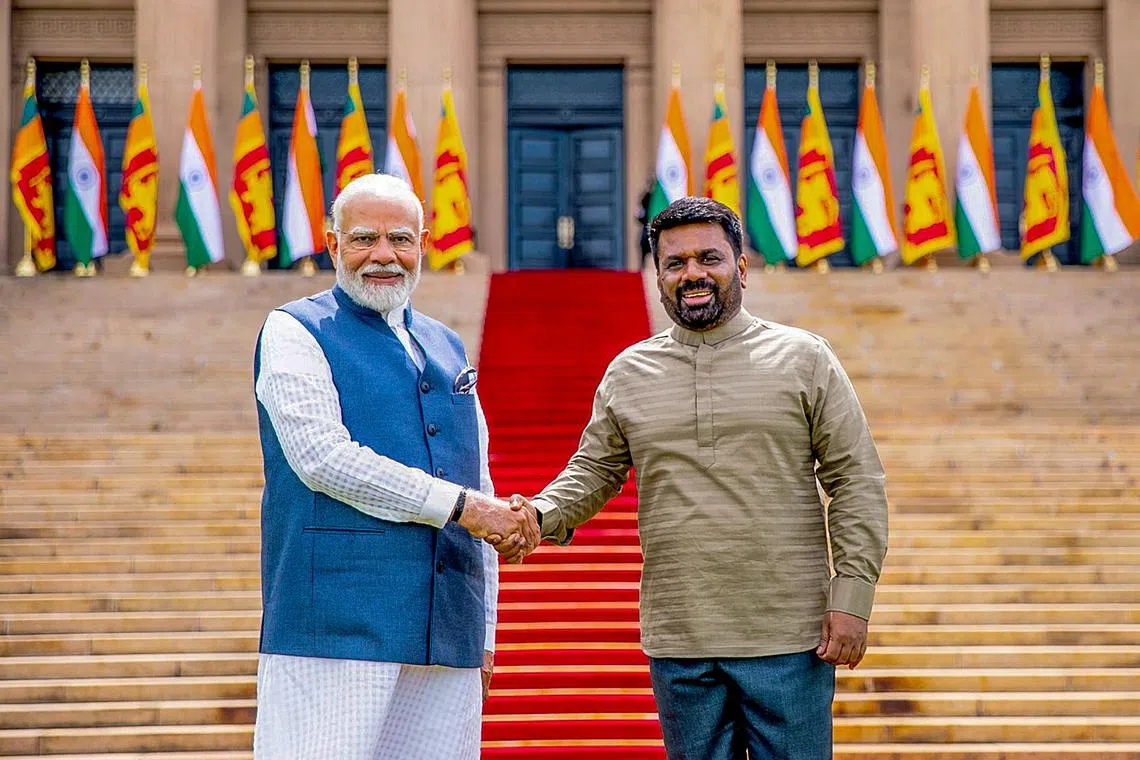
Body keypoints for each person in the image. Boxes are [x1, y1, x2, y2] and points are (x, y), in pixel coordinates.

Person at [501, 197, 889, 759]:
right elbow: (594, 470)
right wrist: (537, 515)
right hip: (680, 639)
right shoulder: (630, 372)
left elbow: (855, 478)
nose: (693, 274)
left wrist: (852, 594)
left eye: (709, 258)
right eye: (675, 263)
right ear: (657, 276)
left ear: (741, 267)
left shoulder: (804, 358)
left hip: (790, 636)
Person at [252, 173, 538, 759]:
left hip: (447, 627)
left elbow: (480, 482)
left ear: (424, 245)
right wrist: (460, 507)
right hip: (335, 626)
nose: (383, 255)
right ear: (333, 245)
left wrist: (484, 632)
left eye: (400, 239)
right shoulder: (295, 330)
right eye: (364, 239)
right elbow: (322, 458)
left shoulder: (448, 345)